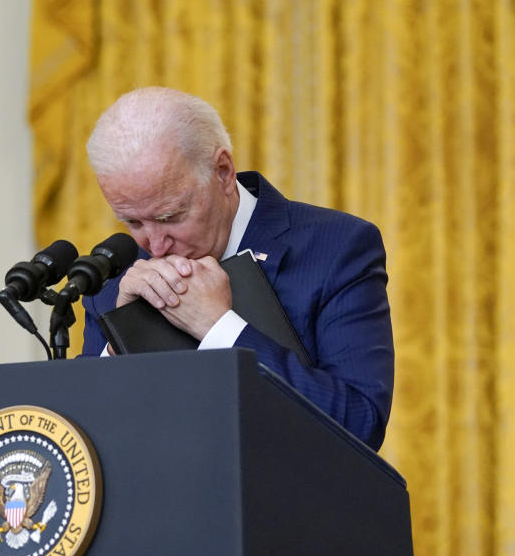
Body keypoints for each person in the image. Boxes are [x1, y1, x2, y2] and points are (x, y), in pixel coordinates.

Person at [80, 87, 394, 450]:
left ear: (223, 172)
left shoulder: (336, 248)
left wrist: (220, 328)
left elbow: (359, 426)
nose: (155, 245)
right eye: (132, 222)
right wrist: (123, 340)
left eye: (170, 216)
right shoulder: (114, 278)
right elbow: (83, 444)